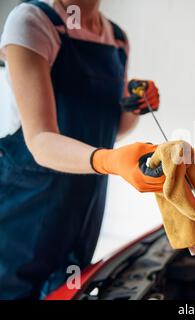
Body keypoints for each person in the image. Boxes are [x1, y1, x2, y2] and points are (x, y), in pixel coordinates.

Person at [0, 0, 164, 299]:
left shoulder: (116, 38)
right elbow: (40, 140)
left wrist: (135, 107)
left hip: (83, 199)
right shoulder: (33, 22)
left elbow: (112, 128)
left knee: (68, 288)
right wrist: (110, 160)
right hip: (27, 199)